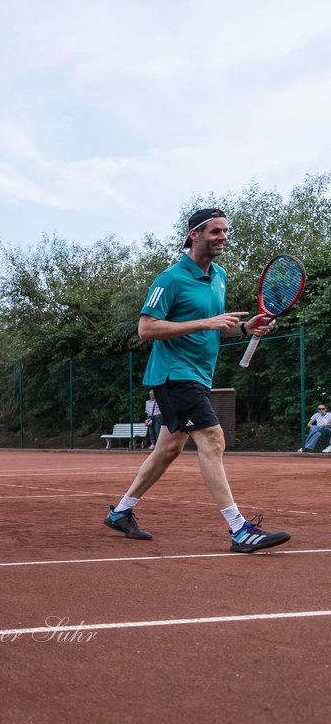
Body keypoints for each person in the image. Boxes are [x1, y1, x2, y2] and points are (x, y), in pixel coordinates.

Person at [103, 208, 290, 553]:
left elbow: (219, 325)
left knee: (167, 449)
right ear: (195, 234)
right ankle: (239, 530)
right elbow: (146, 328)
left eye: (226, 231)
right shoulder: (170, 279)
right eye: (216, 231)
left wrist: (247, 328)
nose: (223, 237)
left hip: (199, 376)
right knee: (213, 439)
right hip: (175, 374)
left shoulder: (219, 276)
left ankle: (121, 513)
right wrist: (205, 323)